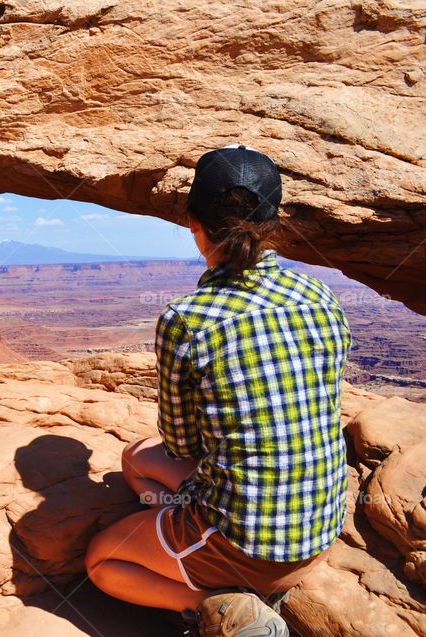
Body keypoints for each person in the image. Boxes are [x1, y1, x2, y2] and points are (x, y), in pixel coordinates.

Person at [84, 145, 352, 637]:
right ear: (273, 223)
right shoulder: (320, 294)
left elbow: (183, 447)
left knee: (103, 562)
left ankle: (220, 603)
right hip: (322, 526)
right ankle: (200, 543)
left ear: (193, 223)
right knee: (134, 457)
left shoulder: (187, 319)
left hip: (252, 546)